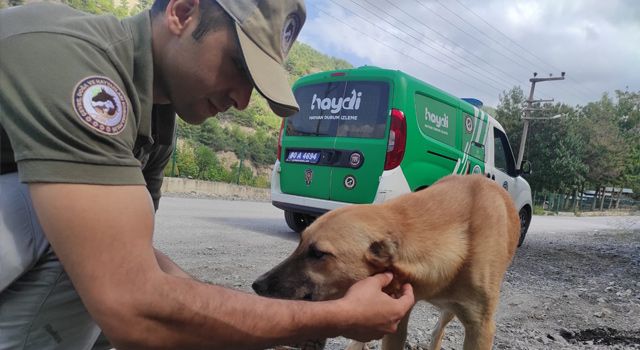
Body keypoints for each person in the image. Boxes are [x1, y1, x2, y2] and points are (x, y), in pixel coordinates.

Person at [0, 0, 415, 348]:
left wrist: (233, 312)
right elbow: (132, 303)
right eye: (238, 66)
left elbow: (135, 256)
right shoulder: (73, 61)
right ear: (183, 11)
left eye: (254, 84)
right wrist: (334, 318)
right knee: (73, 229)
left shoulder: (157, 122)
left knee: (104, 236)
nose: (241, 100)